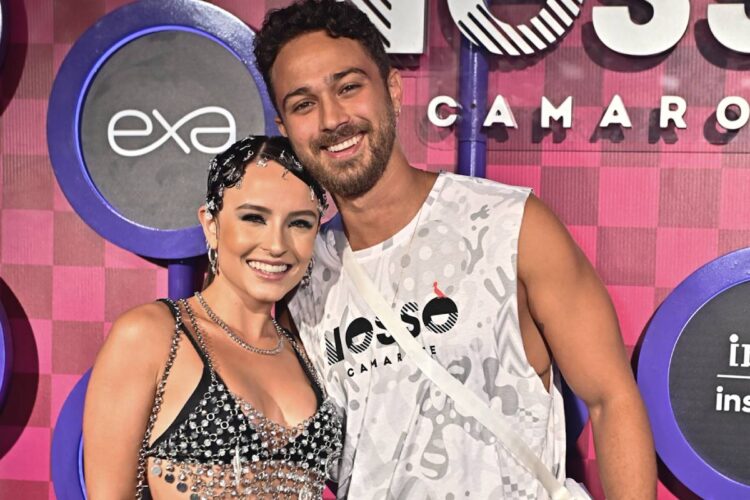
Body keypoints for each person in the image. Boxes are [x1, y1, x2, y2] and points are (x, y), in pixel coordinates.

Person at [254, 1, 657, 498]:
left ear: (393, 90)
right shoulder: (301, 278)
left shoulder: (511, 225)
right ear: (284, 127)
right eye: (303, 104)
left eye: (349, 87)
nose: (332, 118)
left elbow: (611, 400)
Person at [83, 136, 343, 499]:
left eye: (299, 223)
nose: (276, 245)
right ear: (211, 225)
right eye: (254, 218)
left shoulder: (306, 350)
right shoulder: (152, 336)